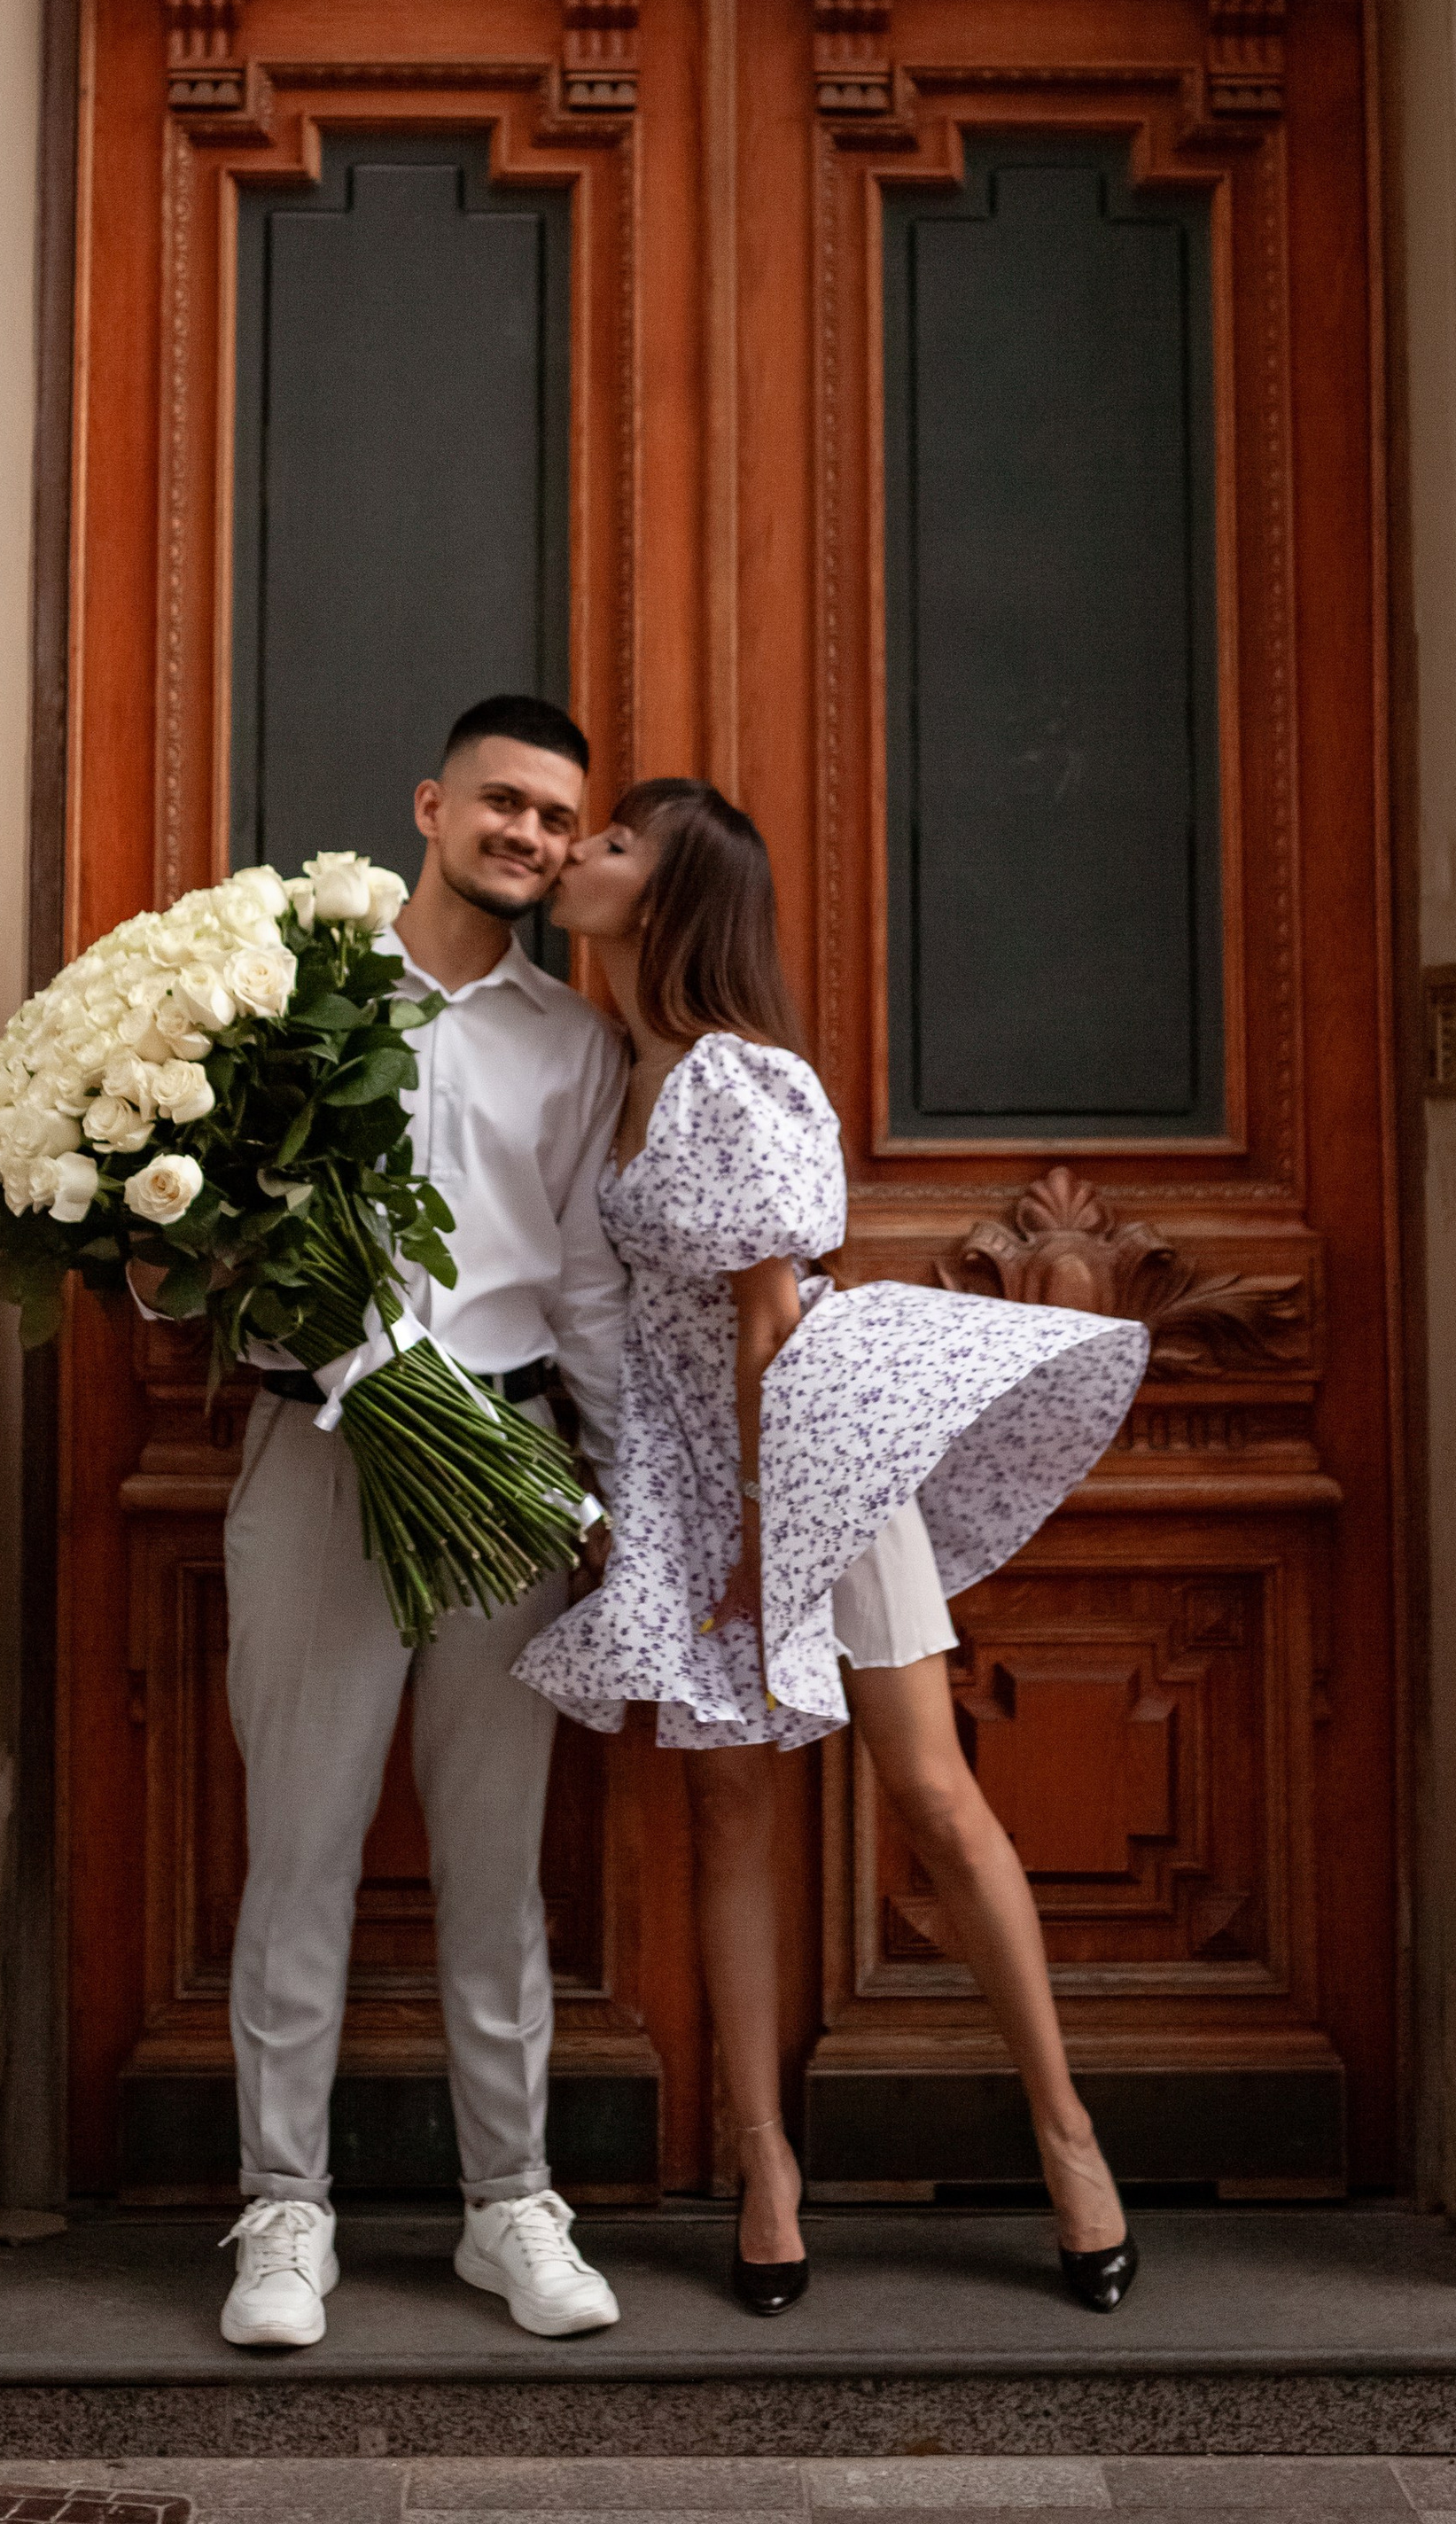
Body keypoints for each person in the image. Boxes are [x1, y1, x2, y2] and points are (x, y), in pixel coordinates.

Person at [516, 777, 1150, 2318]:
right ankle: (764, 2164)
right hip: (681, 1468)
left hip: (811, 1454)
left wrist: (764, 1530)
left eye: (614, 842)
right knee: (729, 1804)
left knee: (932, 1791)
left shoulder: (739, 1080)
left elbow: (767, 1320)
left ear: (670, 897)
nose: (578, 851)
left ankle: (1068, 2135)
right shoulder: (608, 1069)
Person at [211, 697, 629, 2351]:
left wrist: (616, 1491)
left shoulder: (576, 1043)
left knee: (495, 1864)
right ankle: (282, 2210)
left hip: (506, 1466)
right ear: (432, 805)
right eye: (503, 800)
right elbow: (212, 1259)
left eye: (556, 816)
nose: (528, 832)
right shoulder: (290, 1006)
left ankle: (509, 2202)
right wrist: (225, 1294)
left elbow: (585, 1286)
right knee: (301, 1846)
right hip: (317, 1452)